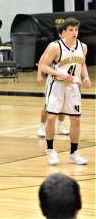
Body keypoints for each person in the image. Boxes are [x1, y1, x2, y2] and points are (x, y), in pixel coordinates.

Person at [40, 17, 91, 165]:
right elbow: (43, 66)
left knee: (76, 120)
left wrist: (86, 77)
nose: (74, 32)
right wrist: (60, 74)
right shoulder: (55, 47)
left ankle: (74, 153)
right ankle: (50, 150)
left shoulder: (83, 47)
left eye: (76, 29)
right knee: (51, 118)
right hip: (56, 86)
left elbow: (82, 63)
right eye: (71, 30)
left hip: (74, 87)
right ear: (63, 33)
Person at [37, 27, 69, 138]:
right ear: (60, 35)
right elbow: (42, 60)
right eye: (66, 32)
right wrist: (39, 74)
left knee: (64, 105)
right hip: (54, 81)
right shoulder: (53, 45)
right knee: (48, 105)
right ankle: (41, 127)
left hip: (67, 81)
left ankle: (60, 127)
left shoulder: (75, 46)